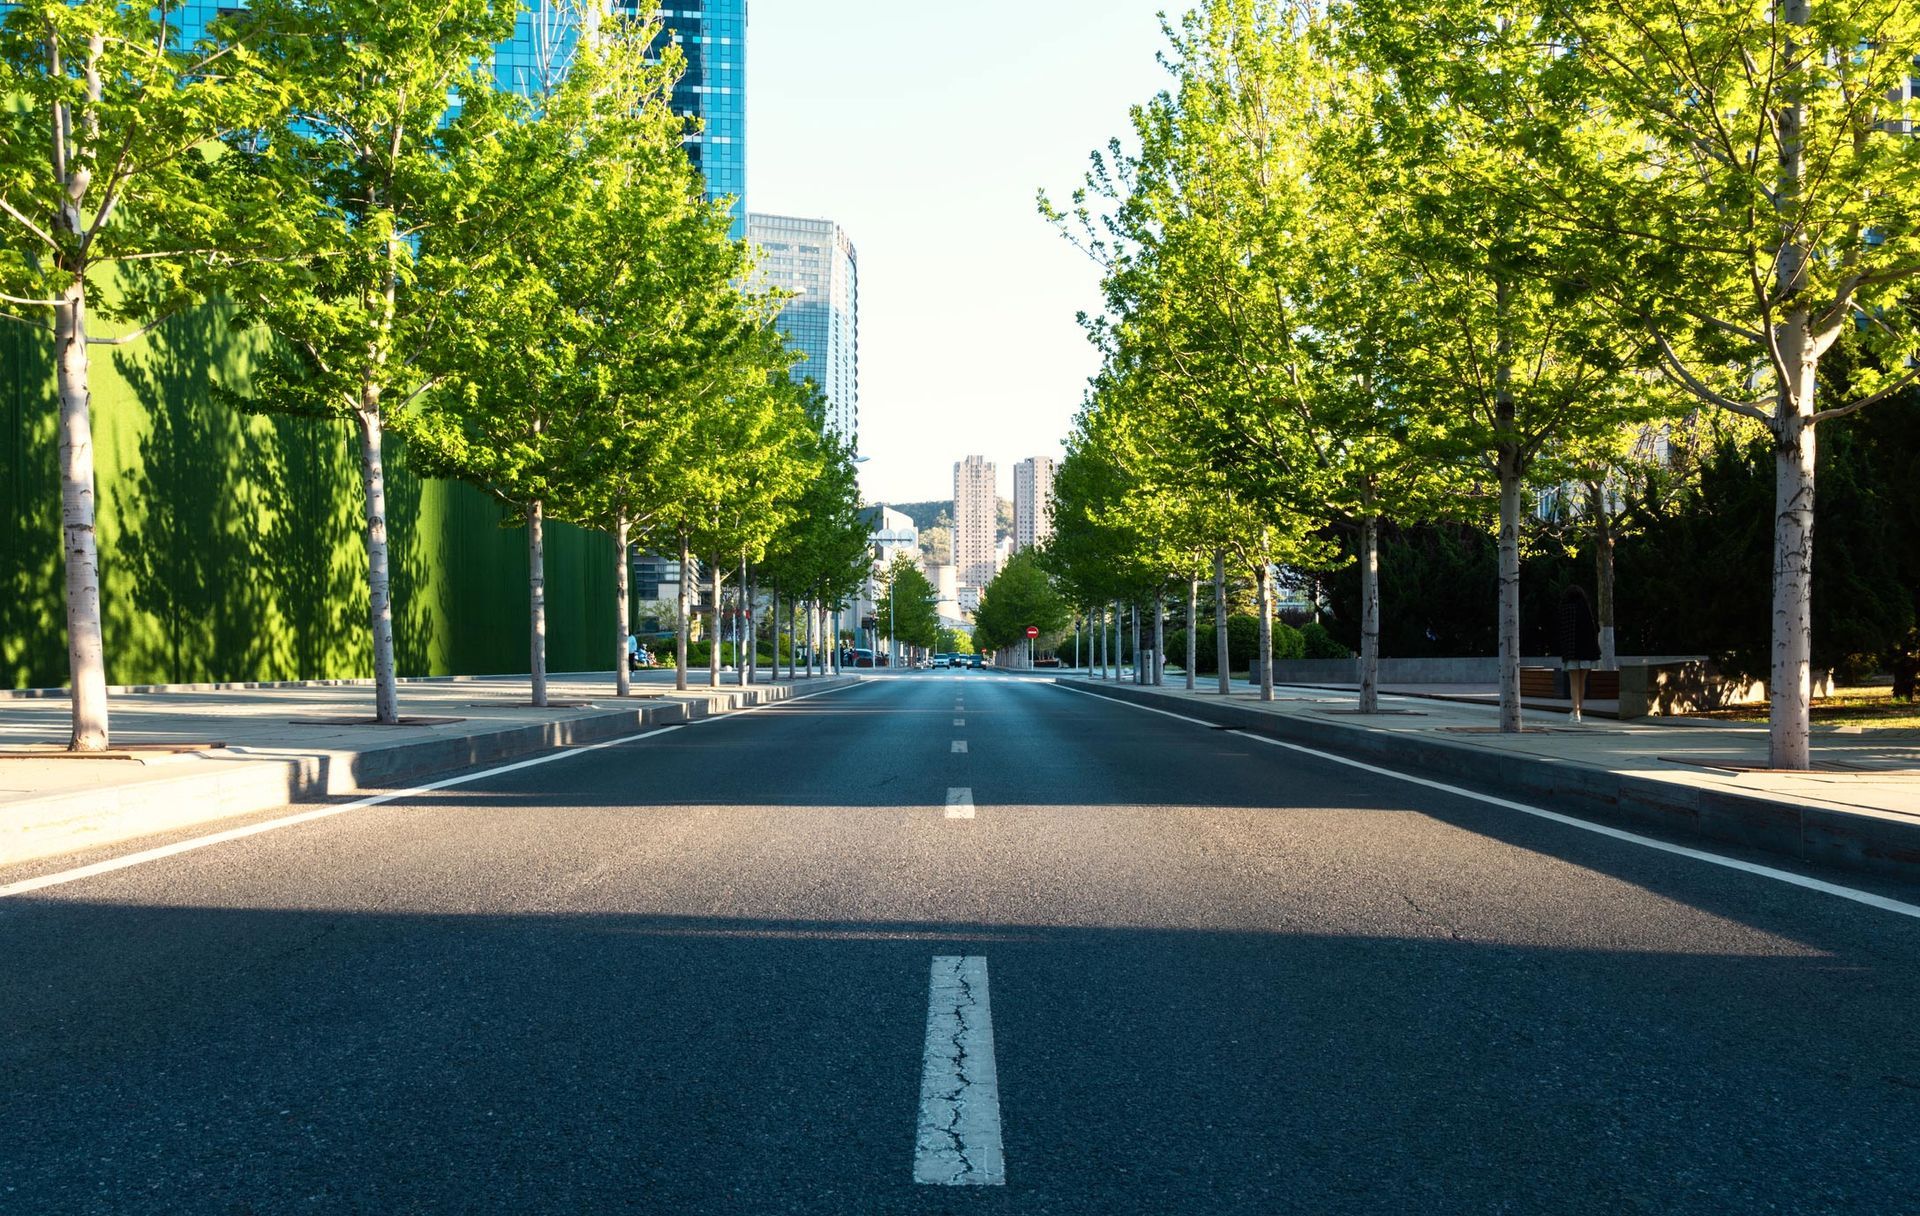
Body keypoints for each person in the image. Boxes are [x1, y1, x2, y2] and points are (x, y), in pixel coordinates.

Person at [1555, 585, 1602, 723]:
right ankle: (1578, 711)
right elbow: (1595, 630)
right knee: (1582, 683)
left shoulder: (1565, 610)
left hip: (1572, 652)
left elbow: (1561, 632)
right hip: (1587, 652)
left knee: (1574, 683)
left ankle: (1576, 714)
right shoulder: (1587, 610)